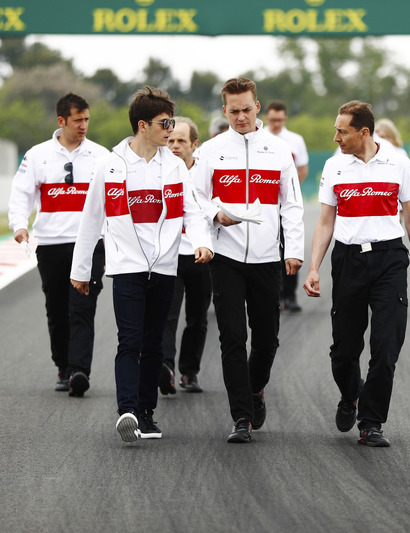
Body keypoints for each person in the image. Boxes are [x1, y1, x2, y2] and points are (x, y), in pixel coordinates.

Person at [70, 86, 213, 443]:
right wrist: (81, 270)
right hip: (126, 268)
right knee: (129, 340)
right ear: (143, 124)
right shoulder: (111, 165)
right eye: (165, 123)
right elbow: (91, 220)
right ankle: (127, 411)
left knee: (153, 345)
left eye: (173, 122)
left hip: (164, 268)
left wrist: (202, 243)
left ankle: (147, 414)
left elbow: (192, 211)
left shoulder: (176, 167)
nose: (171, 129)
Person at [304, 100, 410, 448]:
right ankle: (351, 395)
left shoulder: (398, 163)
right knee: (344, 351)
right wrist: (314, 267)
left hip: (390, 259)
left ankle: (371, 421)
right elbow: (326, 221)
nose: (335, 137)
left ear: (363, 132)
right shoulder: (333, 168)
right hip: (348, 262)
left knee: (386, 346)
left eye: (341, 131)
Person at [192, 77, 304, 443]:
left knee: (267, 339)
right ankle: (241, 417)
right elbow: (193, 197)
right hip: (224, 257)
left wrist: (295, 251)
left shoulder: (278, 149)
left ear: (257, 107)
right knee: (232, 338)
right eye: (233, 111)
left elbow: (291, 204)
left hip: (267, 258)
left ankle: (255, 390)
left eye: (246, 109)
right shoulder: (210, 150)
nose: (240, 117)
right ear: (224, 111)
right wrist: (214, 214)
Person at [8, 92, 109, 397]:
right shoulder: (37, 155)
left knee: (82, 307)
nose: (83, 125)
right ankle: (63, 367)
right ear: (61, 121)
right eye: (78, 120)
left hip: (90, 244)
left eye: (87, 119)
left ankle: (79, 370)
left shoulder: (102, 155)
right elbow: (21, 194)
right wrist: (20, 226)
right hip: (50, 244)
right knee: (57, 308)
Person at [158, 116, 212, 394]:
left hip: (202, 255)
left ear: (194, 144)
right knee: (167, 314)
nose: (175, 146)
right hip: (169, 255)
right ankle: (165, 368)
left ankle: (189, 372)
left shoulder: (208, 172)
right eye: (170, 140)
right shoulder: (160, 171)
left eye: (181, 140)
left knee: (198, 317)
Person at [264, 100, 310, 313]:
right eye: (273, 120)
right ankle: (271, 294)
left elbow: (302, 169)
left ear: (285, 119)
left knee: (289, 248)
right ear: (266, 118)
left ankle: (289, 294)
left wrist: (289, 193)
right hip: (265, 205)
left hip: (285, 203)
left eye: (280, 120)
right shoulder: (260, 138)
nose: (276, 124)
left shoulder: (295, 140)